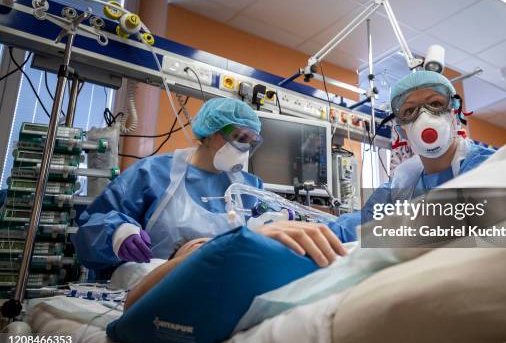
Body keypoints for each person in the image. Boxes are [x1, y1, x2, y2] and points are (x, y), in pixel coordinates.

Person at [74, 97, 346, 276]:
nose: (245, 148)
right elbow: (91, 226)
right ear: (208, 133)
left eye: (252, 142)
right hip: (154, 288)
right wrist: (116, 232)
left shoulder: (250, 188)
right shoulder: (153, 174)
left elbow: (284, 234)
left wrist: (275, 226)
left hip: (222, 288)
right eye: (239, 137)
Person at [336, 70, 496, 238]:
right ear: (402, 131)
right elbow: (351, 229)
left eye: (435, 103)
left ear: (453, 114)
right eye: (409, 110)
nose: (424, 117)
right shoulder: (397, 190)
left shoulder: (486, 166)